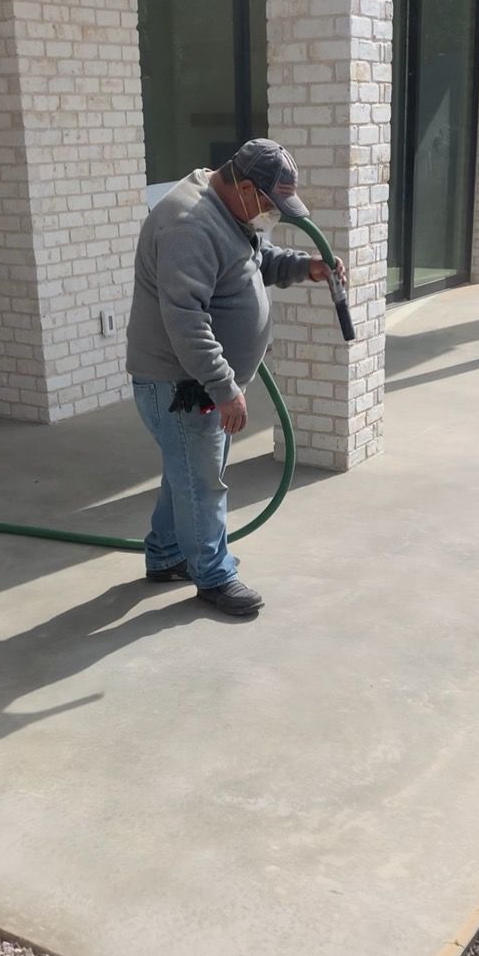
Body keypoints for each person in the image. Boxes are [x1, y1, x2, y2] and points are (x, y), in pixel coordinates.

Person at [126, 140, 346, 617]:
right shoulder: (189, 225)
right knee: (202, 483)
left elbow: (254, 260)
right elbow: (185, 319)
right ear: (245, 188)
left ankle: (165, 554)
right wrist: (224, 387)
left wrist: (305, 267)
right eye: (270, 204)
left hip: (196, 381)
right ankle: (214, 575)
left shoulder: (229, 210)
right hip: (182, 384)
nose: (273, 215)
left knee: (187, 474)